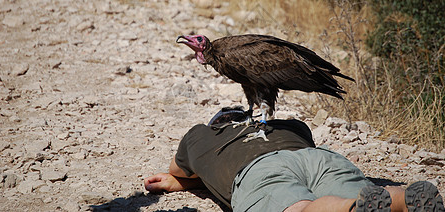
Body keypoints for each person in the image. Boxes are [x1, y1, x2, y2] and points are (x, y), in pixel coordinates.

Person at [144, 107, 444, 212]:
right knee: (364, 194)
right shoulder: (287, 125)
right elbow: (305, 140)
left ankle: (351, 209)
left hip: (260, 170)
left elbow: (180, 170)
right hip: (316, 157)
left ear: (217, 123)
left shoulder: (201, 135)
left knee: (300, 208)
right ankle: (402, 199)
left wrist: (185, 180)